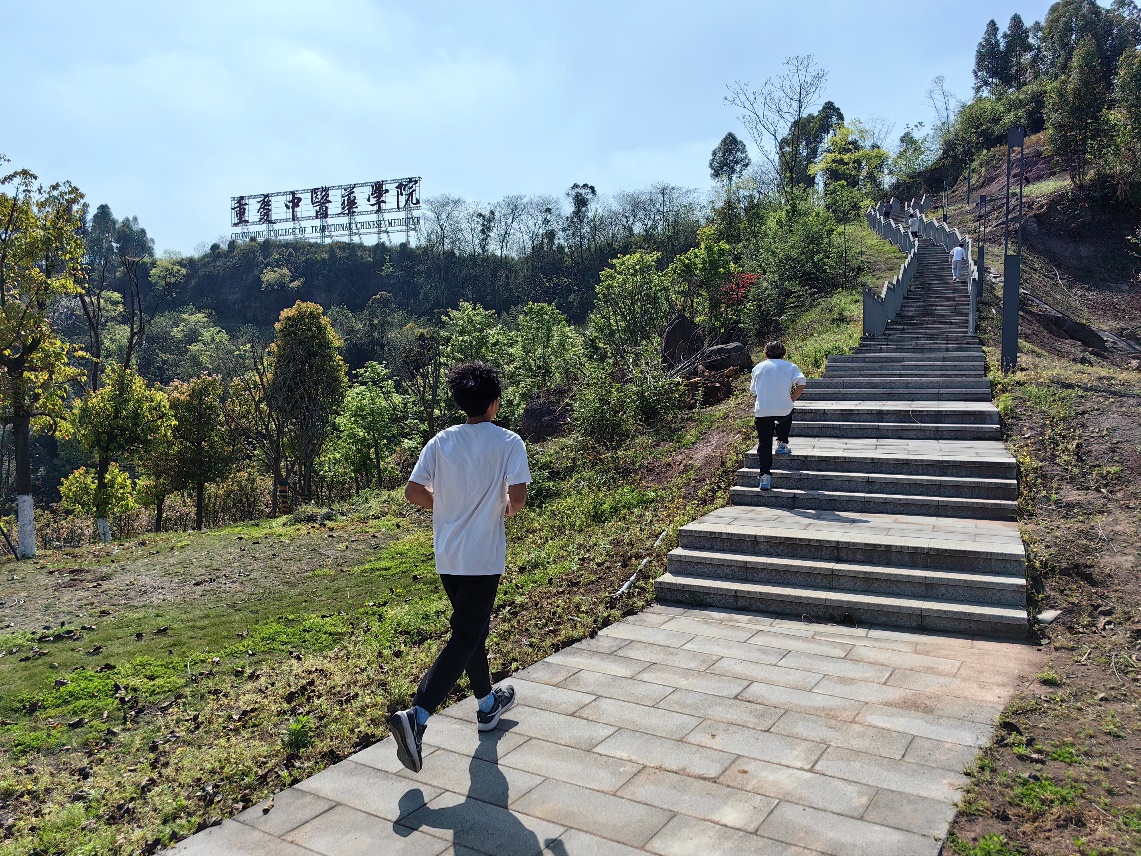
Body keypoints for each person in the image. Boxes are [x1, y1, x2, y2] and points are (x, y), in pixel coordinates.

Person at [388, 362, 531, 774]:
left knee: (473, 632)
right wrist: (501, 506)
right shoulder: (508, 441)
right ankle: (416, 718)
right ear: (493, 402)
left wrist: (449, 505)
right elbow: (517, 499)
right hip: (483, 557)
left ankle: (487, 706)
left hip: (449, 556)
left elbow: (414, 491)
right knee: (467, 634)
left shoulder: (440, 442)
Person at [749, 341, 807, 491]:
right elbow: (801, 383)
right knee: (787, 414)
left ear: (765, 353)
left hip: (762, 411)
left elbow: (754, 392)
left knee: (764, 444)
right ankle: (782, 442)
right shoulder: (790, 366)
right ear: (783, 353)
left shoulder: (757, 368)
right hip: (783, 408)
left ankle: (764, 477)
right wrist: (792, 399)